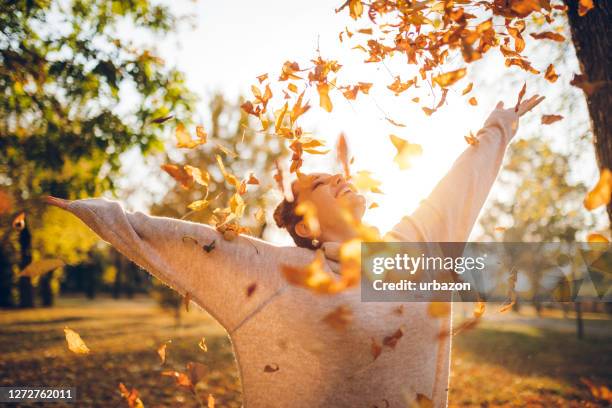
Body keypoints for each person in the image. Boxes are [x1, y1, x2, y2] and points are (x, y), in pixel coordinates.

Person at [46, 95, 544, 407]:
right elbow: (174, 239)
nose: (341, 178)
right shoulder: (279, 272)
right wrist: (84, 209)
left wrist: (501, 123)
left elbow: (461, 184)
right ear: (304, 221)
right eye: (325, 182)